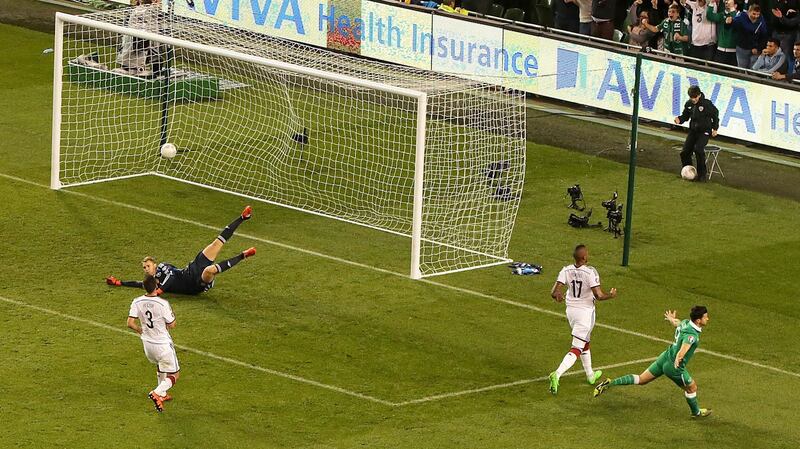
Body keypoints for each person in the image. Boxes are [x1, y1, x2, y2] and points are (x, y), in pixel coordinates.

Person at [106, 206, 256, 295]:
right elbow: (139, 284)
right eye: (144, 268)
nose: (146, 269)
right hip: (195, 284)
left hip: (191, 269)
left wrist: (159, 291)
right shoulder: (153, 282)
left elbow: (171, 277)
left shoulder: (163, 269)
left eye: (148, 266)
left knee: (216, 244)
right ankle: (242, 256)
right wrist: (119, 282)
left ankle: (243, 217)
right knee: (210, 271)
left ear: (155, 264)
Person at [593, 306, 713, 418]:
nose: (707, 318)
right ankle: (696, 412)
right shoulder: (692, 335)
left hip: (665, 357)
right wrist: (678, 358)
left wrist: (671, 319)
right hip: (674, 367)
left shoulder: (686, 323)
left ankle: (609, 383)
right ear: (698, 320)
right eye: (705, 316)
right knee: (692, 388)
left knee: (641, 379)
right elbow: (684, 349)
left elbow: (678, 323)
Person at [548, 244, 618, 395]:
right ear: (584, 257)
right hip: (585, 314)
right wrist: (610, 295)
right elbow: (598, 296)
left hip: (571, 312)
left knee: (585, 341)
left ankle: (590, 375)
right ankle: (557, 374)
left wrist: (558, 296)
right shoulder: (590, 272)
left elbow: (554, 291)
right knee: (577, 348)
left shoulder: (565, 270)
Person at [127, 275, 179, 412]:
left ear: (144, 287)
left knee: (160, 366)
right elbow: (172, 324)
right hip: (162, 344)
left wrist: (140, 330)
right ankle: (157, 392)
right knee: (175, 374)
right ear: (156, 286)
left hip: (148, 346)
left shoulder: (137, 301)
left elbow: (130, 323)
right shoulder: (162, 303)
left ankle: (162, 395)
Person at [674, 85, 719, 182]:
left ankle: (702, 175)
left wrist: (715, 128)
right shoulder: (689, 104)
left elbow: (715, 114)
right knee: (684, 152)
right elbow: (685, 116)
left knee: (698, 149)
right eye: (691, 97)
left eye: (695, 97)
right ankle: (688, 172)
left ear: (699, 95)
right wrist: (679, 119)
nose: (693, 99)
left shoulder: (706, 104)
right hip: (693, 131)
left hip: (704, 132)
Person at [732, 4, 768, 69]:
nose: (756, 16)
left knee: (753, 69)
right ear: (748, 12)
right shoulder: (741, 17)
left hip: (755, 50)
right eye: (754, 14)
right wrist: (728, 22)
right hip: (742, 48)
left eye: (758, 14)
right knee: (742, 68)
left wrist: (758, 48)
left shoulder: (761, 19)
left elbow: (764, 36)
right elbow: (732, 25)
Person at [707, 0, 740, 66]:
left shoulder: (740, 16)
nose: (727, 3)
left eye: (730, 2)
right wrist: (711, 3)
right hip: (720, 50)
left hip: (733, 52)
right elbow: (709, 16)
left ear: (735, 5)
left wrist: (732, 8)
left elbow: (736, 21)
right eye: (726, 2)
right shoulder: (722, 15)